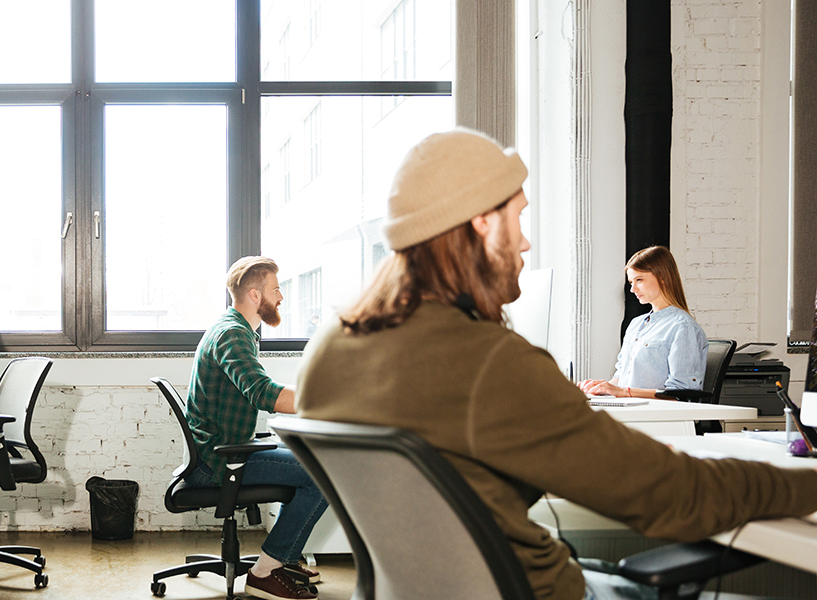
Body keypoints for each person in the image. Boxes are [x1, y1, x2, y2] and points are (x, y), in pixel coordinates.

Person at [294, 128, 817, 600]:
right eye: (516, 217)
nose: (524, 241)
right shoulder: (488, 361)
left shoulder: (328, 351)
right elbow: (668, 494)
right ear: (479, 224)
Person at [185, 256, 329, 600]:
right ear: (254, 295)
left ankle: (283, 558)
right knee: (324, 473)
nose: (281, 297)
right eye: (276, 289)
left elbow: (260, 388)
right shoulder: (233, 334)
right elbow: (264, 393)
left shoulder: (235, 328)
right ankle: (265, 571)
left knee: (309, 458)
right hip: (221, 461)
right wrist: (332, 398)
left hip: (225, 450)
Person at [577, 246, 707, 399]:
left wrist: (623, 392)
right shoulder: (636, 324)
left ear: (663, 277)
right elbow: (622, 377)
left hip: (658, 417)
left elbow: (682, 392)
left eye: (639, 280)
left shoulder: (682, 327)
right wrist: (599, 389)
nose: (632, 289)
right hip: (632, 411)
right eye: (631, 282)